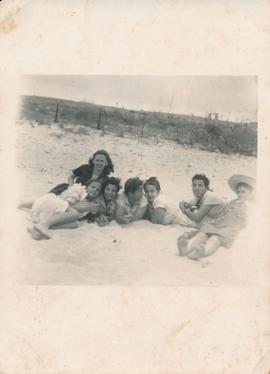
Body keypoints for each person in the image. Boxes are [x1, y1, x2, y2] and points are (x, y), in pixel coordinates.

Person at [178, 174, 255, 261]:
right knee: (203, 234)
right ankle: (186, 249)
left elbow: (251, 222)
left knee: (215, 239)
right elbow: (224, 212)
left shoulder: (251, 206)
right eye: (238, 192)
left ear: (251, 193)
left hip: (231, 228)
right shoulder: (233, 202)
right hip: (219, 222)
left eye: (243, 192)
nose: (240, 194)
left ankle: (202, 252)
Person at [27, 179, 103, 240]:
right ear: (86, 187)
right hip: (56, 203)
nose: (95, 190)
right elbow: (68, 205)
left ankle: (39, 228)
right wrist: (87, 207)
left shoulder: (89, 201)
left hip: (59, 211)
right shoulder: (79, 191)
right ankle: (44, 225)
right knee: (74, 214)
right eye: (93, 187)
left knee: (75, 224)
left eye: (97, 190)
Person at [49, 149, 114, 195]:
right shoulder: (84, 168)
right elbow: (71, 176)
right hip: (73, 190)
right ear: (93, 161)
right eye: (97, 160)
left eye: (102, 161)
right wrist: (71, 186)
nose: (99, 163)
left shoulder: (106, 178)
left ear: (106, 163)